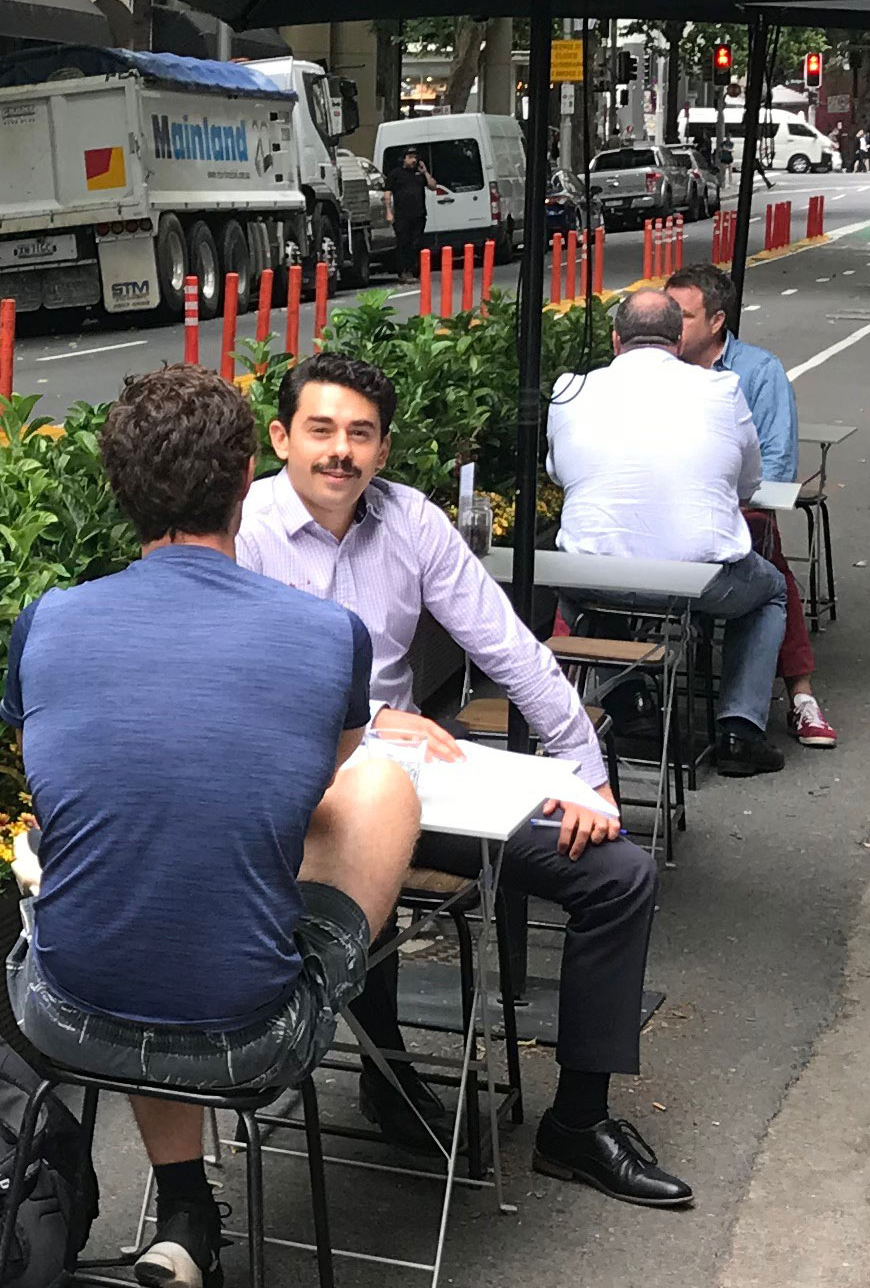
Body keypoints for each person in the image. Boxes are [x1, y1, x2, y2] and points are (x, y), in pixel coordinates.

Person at [4, 365, 424, 1288]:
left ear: (117, 488)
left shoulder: (48, 624)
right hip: (251, 1031)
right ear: (247, 477)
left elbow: (57, 776)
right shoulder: (326, 635)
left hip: (63, 1008)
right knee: (383, 782)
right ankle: (362, 1037)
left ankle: (187, 1206)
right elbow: (323, 783)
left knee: (148, 882)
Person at [238, 351, 689, 1208]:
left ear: (383, 447)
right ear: (281, 437)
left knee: (618, 874)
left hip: (417, 778)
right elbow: (228, 694)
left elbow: (510, 650)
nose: (341, 452)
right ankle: (389, 1072)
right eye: (322, 430)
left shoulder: (408, 521)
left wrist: (589, 781)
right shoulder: (243, 529)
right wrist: (363, 724)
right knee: (355, 866)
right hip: (295, 788)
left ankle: (578, 1124)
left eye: (360, 435)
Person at [548, 286, 791, 778]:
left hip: (591, 572)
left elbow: (558, 471)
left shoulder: (568, 389)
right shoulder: (721, 389)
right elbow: (749, 483)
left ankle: (629, 701)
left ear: (616, 341)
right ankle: (740, 728)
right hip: (698, 577)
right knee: (770, 592)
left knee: (586, 593)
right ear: (679, 341)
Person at [661, 263, 836, 751]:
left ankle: (799, 696)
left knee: (767, 563)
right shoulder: (654, 369)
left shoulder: (757, 372)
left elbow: (776, 469)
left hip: (735, 512)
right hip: (663, 518)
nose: (670, 327)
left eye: (684, 316)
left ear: (717, 322)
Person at [386, 145, 442, 276]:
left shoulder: (419, 174)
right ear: (403, 159)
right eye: (410, 157)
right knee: (403, 243)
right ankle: (403, 271)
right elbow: (387, 193)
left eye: (415, 157)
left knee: (416, 243)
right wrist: (389, 211)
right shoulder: (395, 174)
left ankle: (414, 269)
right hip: (402, 216)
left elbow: (433, 186)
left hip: (419, 214)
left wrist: (425, 172)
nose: (413, 160)